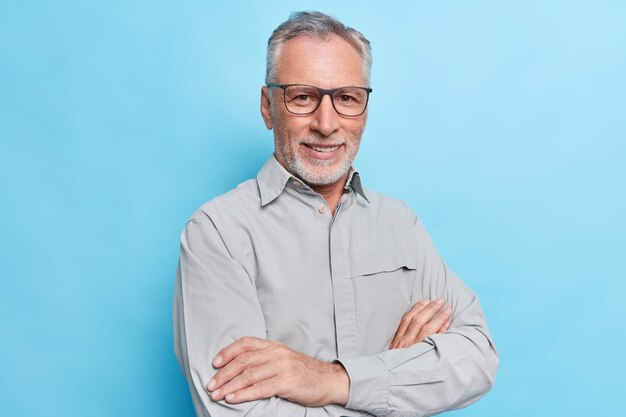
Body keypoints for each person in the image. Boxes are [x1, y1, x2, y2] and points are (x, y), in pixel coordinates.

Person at [173, 11, 498, 417]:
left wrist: (331, 380)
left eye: (346, 98)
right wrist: (397, 384)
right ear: (268, 106)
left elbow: (477, 357)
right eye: (303, 97)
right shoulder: (217, 234)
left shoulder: (400, 224)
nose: (326, 124)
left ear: (364, 108)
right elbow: (242, 412)